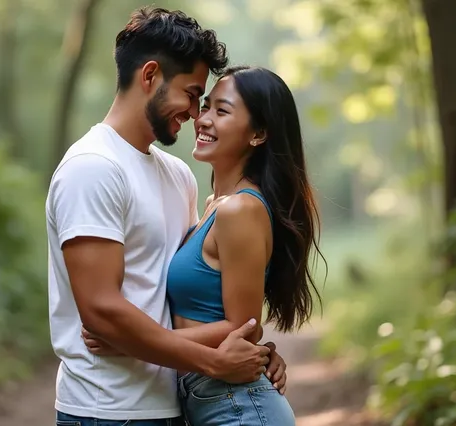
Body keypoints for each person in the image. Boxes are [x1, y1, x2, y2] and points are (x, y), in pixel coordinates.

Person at [46, 7, 288, 426]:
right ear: (150, 76)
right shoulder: (92, 167)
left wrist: (249, 351)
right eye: (193, 95)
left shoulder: (178, 175)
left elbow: (198, 290)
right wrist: (215, 362)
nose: (196, 114)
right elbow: (101, 312)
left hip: (174, 405)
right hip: (107, 410)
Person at [85, 66, 324, 425]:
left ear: (258, 134)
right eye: (205, 106)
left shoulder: (240, 209)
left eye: (222, 111)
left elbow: (243, 326)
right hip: (211, 401)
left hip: (237, 406)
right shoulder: (214, 206)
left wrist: (132, 342)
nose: (203, 119)